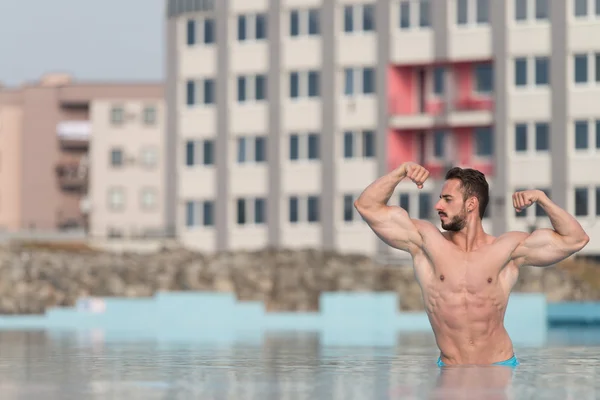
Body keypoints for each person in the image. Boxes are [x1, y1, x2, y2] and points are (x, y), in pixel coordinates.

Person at [354, 162, 590, 366]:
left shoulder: (506, 249)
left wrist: (542, 199)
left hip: (499, 367)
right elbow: (367, 206)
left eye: (447, 199)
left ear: (471, 204)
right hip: (451, 369)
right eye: (440, 200)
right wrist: (401, 171)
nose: (438, 206)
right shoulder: (425, 242)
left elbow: (576, 239)